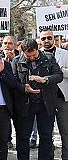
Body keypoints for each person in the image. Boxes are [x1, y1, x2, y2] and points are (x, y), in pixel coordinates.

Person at [11, 38, 63, 160]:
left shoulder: (49, 58)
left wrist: (45, 79)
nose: (32, 58)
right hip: (26, 104)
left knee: (46, 136)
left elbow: (59, 76)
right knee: (23, 136)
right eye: (28, 56)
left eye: (34, 55)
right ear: (23, 52)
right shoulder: (16, 61)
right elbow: (13, 82)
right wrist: (24, 88)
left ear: (37, 49)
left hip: (45, 104)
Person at [39, 29, 68, 160]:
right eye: (44, 38)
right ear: (40, 40)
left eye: (49, 38)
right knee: (46, 133)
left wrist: (61, 70)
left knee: (65, 131)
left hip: (62, 98)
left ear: (54, 38)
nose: (46, 41)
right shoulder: (37, 54)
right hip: (44, 99)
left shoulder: (65, 54)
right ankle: (48, 156)